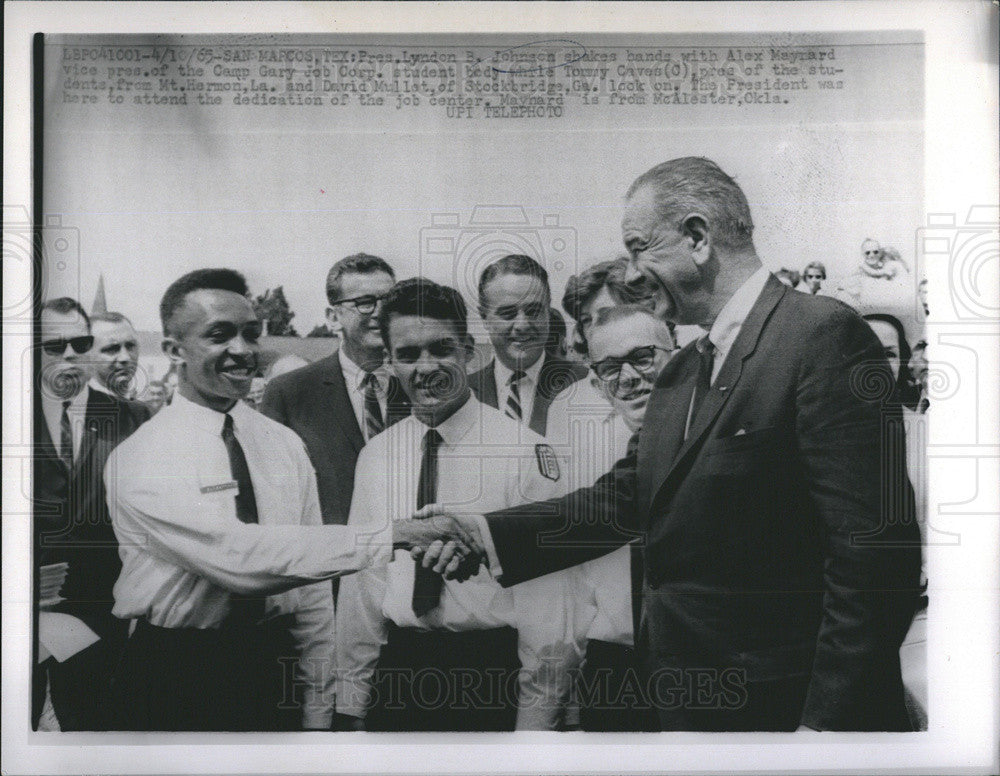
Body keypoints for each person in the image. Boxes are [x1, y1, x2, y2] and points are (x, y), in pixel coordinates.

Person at [411, 157, 923, 731]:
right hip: (691, 709)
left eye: (639, 248)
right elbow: (623, 499)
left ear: (698, 237)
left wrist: (827, 730)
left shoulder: (821, 335)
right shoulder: (684, 371)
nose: (630, 274)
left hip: (789, 716)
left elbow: (875, 555)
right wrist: (479, 531)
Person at [106, 268, 402, 731]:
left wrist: (318, 712)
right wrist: (393, 536)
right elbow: (240, 558)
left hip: (269, 667)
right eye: (219, 336)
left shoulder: (282, 443)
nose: (242, 351)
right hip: (175, 672)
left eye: (251, 333)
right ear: (173, 351)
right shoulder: (142, 456)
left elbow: (312, 594)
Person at [335, 278, 583, 732]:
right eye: (408, 354)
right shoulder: (377, 456)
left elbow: (550, 616)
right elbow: (362, 592)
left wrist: (532, 730)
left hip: (489, 675)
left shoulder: (524, 452)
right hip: (401, 676)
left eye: (441, 349)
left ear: (469, 351)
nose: (426, 367)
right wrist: (351, 706)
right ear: (390, 362)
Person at [34, 297, 151, 730]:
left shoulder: (134, 419)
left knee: (92, 729)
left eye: (80, 343)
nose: (69, 354)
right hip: (17, 611)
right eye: (53, 344)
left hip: (103, 616)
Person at [568, 304, 676, 731]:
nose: (629, 378)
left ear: (675, 355)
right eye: (611, 368)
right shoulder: (578, 452)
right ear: (596, 384)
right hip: (612, 667)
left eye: (643, 357)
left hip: (707, 664)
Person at [262, 253, 411, 529]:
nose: (380, 311)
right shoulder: (289, 393)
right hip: (334, 563)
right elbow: (274, 500)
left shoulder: (418, 388)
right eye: (365, 303)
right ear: (333, 318)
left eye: (389, 302)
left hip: (411, 562)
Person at [470, 254, 587, 436]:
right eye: (508, 313)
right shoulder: (465, 395)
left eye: (533, 311)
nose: (522, 325)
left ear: (548, 312)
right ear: (484, 317)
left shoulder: (583, 383)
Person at [88, 311, 140, 399]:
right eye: (112, 349)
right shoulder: (82, 408)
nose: (125, 357)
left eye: (130, 346)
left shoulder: (142, 409)